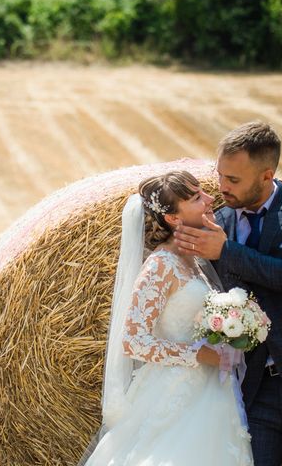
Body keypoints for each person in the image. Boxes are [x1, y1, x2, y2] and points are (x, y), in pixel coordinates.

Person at [174, 121, 282, 465]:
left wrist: (228, 252)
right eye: (220, 174)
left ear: (267, 176)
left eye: (233, 180)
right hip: (253, 393)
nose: (222, 187)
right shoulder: (216, 222)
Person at [80, 171, 253, 466]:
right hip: (174, 396)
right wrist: (199, 354)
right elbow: (134, 341)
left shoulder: (196, 261)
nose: (211, 198)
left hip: (213, 393)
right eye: (197, 197)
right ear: (173, 218)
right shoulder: (160, 266)